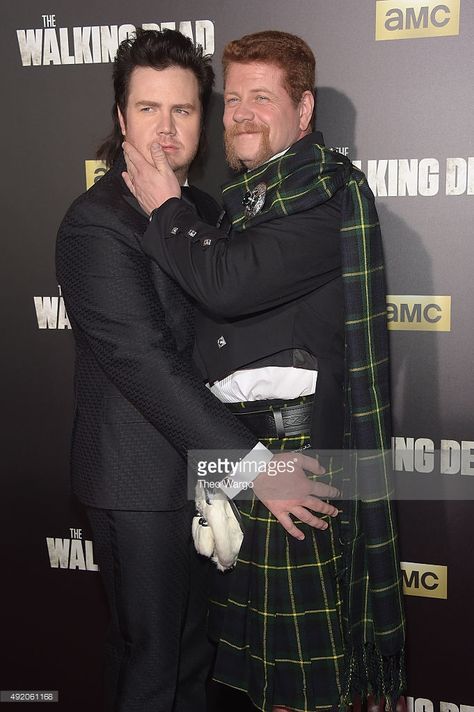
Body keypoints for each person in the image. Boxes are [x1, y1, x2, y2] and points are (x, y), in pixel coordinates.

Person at [122, 30, 406, 712]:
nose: (240, 114)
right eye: (233, 99)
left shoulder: (326, 194)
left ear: (303, 112)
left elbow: (226, 286)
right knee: (259, 685)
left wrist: (165, 203)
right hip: (240, 457)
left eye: (262, 97)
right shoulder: (244, 201)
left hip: (296, 463)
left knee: (300, 690)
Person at [56, 29, 339, 712]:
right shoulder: (95, 224)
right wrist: (257, 467)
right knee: (154, 667)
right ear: (121, 119)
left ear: (201, 121)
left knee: (195, 664)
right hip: (141, 483)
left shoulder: (207, 211)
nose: (165, 128)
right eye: (148, 109)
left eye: (182, 110)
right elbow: (146, 366)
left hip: (205, 474)